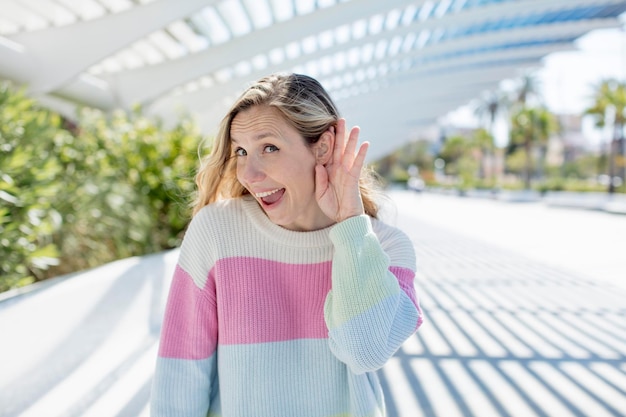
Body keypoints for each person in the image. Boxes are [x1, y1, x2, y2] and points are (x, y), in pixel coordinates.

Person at [150, 73, 423, 417]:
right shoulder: (217, 231)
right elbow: (180, 371)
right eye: (241, 151)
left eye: (270, 148)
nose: (249, 173)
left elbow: (365, 352)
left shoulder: (385, 249)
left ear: (322, 147)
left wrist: (351, 226)